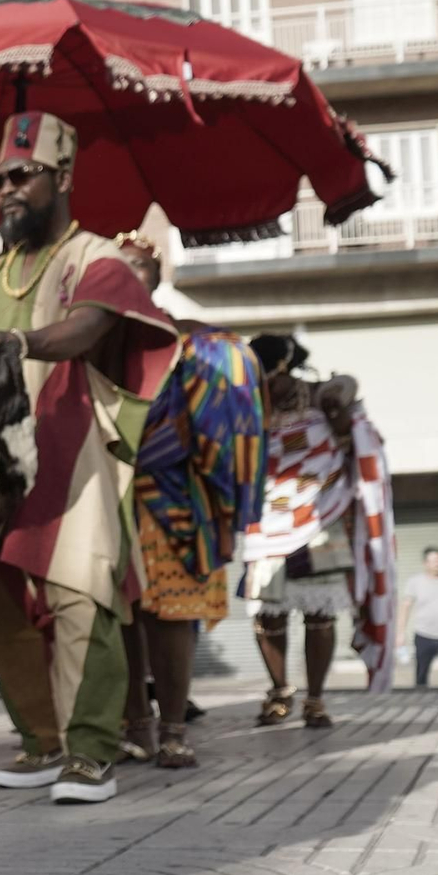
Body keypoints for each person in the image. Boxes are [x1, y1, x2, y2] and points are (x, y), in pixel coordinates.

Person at [0, 113, 179, 806]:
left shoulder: (95, 256)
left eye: (23, 175)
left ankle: (92, 749)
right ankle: (40, 737)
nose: (7, 191)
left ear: (63, 177)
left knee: (81, 595)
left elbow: (89, 326)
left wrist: (24, 343)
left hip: (74, 460)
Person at [112, 234, 264, 769]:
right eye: (119, 267)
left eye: (139, 266)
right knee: (121, 618)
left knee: (171, 619)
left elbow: (226, 428)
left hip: (177, 497)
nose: (130, 275)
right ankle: (135, 727)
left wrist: (228, 504)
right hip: (110, 496)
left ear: (157, 275)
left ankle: (174, 729)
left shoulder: (198, 344)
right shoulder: (93, 342)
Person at [239, 334, 397, 727]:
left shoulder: (323, 397)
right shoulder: (249, 405)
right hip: (266, 522)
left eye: (267, 376)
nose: (265, 385)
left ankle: (315, 699)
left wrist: (340, 409)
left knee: (319, 613)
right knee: (266, 614)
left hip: (319, 520)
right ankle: (279, 692)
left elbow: (354, 437)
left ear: (284, 368)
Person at [402, 547, 438, 687]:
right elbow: (405, 607)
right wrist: (400, 633)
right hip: (424, 634)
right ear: (425, 563)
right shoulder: (415, 582)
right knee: (421, 674)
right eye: (434, 560)